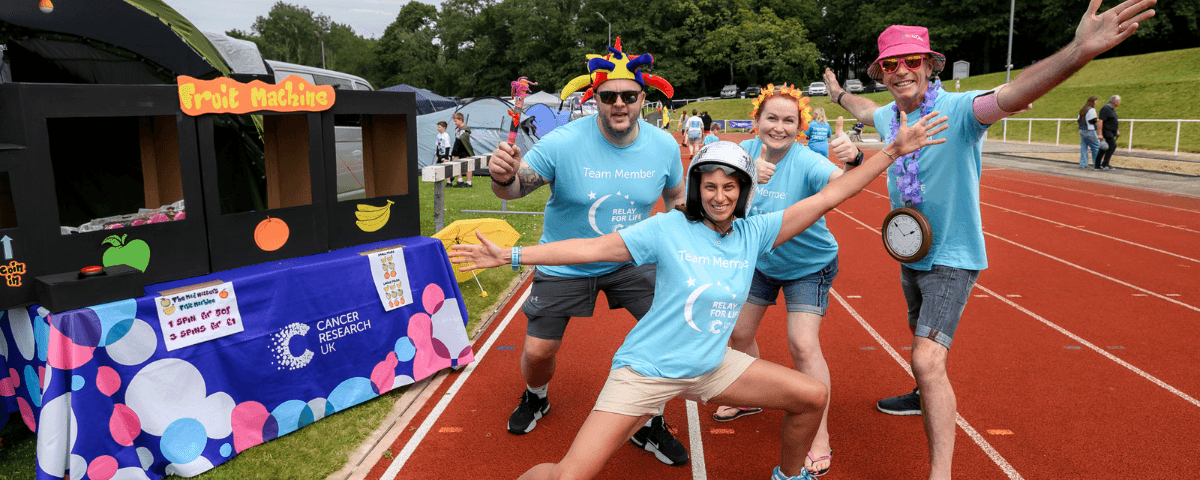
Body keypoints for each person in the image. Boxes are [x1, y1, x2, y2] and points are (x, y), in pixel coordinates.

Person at [453, 112, 948, 480]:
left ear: (744, 191)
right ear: (696, 189)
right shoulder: (667, 228)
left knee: (811, 395)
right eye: (709, 186)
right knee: (568, 477)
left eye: (729, 187)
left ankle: (789, 476)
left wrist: (893, 151)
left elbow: (830, 197)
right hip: (646, 372)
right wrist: (514, 257)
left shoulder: (754, 234)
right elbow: (590, 247)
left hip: (712, 367)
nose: (719, 196)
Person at [821, 1, 1155, 477]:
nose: (901, 71)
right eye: (890, 64)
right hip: (911, 252)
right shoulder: (887, 120)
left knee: (927, 357)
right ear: (881, 72)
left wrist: (1079, 51)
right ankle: (921, 393)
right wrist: (837, 96)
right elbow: (864, 107)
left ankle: (940, 472)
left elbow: (1013, 94)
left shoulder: (958, 110)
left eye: (911, 61)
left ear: (931, 65)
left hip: (952, 256)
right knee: (920, 343)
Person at [485, 38, 691, 467]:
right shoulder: (562, 142)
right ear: (593, 98)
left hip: (632, 260)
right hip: (566, 259)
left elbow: (675, 198)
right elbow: (516, 185)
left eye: (629, 96)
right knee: (540, 352)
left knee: (667, 335)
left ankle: (651, 420)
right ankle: (536, 396)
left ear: (642, 98)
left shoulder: (664, 146)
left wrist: (687, 240)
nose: (619, 104)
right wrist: (502, 177)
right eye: (609, 96)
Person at [711, 84, 858, 477]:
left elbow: (842, 185)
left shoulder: (807, 161)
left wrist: (854, 161)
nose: (779, 127)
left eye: (788, 121)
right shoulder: (742, 152)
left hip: (809, 264)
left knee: (802, 342)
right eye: (771, 119)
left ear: (800, 127)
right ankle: (753, 397)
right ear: (756, 121)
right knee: (739, 333)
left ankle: (819, 434)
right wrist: (744, 174)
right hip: (761, 260)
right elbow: (703, 182)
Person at [1077, 95, 1102, 169]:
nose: (1096, 102)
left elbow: (1078, 119)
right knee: (1096, 147)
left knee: (1084, 147)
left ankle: (1083, 164)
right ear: (1093, 101)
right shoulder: (1092, 109)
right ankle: (1097, 164)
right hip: (1090, 130)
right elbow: (1093, 119)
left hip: (1082, 130)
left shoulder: (1082, 109)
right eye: (1096, 101)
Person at [450, 112, 475, 187]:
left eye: (456, 121)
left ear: (461, 120)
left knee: (468, 166)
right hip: (457, 151)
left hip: (465, 150)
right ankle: (460, 181)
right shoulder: (458, 129)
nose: (455, 123)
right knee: (455, 164)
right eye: (454, 121)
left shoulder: (465, 130)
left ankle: (469, 183)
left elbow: (463, 141)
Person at [1097, 94, 1121, 170]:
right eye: (1119, 100)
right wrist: (1100, 134)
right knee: (1112, 146)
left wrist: (1116, 130)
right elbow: (1100, 121)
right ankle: (1105, 164)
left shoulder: (1111, 109)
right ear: (1115, 101)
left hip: (1110, 131)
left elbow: (1113, 121)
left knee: (1104, 148)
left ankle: (1098, 165)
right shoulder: (1106, 108)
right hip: (1106, 131)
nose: (1119, 102)